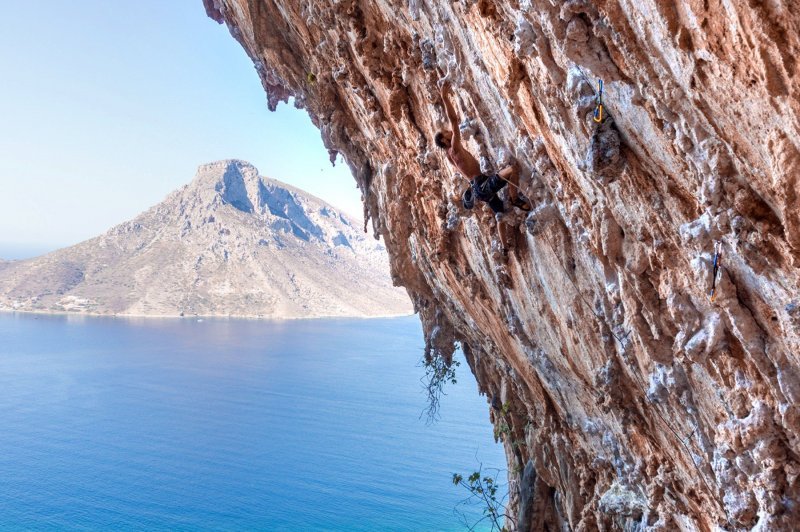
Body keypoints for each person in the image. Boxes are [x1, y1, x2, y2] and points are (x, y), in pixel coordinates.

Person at [434, 81, 528, 254]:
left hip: (479, 187)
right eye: (446, 133)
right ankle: (515, 199)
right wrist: (444, 97)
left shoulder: (450, 157)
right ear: (445, 141)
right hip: (481, 185)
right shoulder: (453, 148)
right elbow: (454, 121)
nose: (449, 131)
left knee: (499, 214)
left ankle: (505, 248)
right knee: (512, 170)